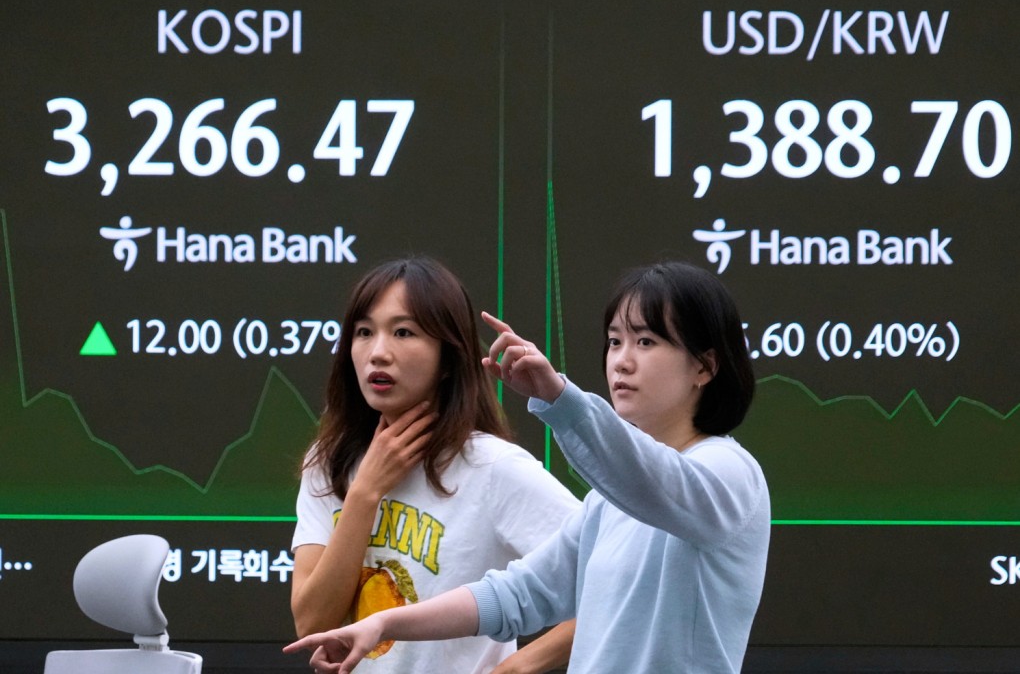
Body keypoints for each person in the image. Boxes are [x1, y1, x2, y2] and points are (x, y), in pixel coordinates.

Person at [285, 260, 771, 673]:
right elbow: (518, 593)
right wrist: (387, 622)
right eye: (614, 341)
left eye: (645, 342)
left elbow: (650, 480)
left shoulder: (728, 473)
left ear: (705, 367)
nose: (620, 361)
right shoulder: (608, 503)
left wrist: (558, 398)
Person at [290, 256, 580, 674]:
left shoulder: (493, 468)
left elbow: (618, 577)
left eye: (403, 332)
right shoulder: (328, 463)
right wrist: (366, 492)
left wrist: (514, 668)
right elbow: (313, 623)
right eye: (364, 332)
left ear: (448, 358)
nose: (378, 352)